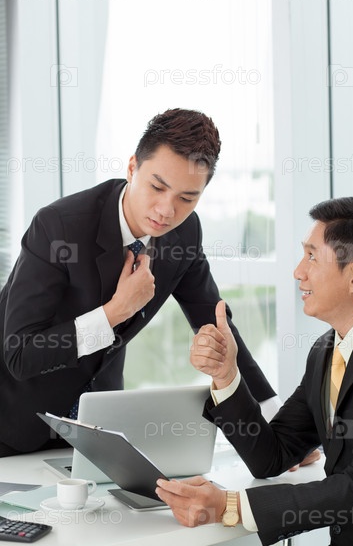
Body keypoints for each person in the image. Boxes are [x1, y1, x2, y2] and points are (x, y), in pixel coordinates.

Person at [0, 108, 283, 457]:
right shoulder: (58, 227)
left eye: (187, 198)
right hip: (12, 425)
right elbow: (20, 354)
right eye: (157, 187)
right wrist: (115, 312)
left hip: (94, 432)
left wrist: (271, 418)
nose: (166, 210)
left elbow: (216, 323)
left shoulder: (184, 234)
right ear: (132, 167)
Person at [156, 196, 353, 546]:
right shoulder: (326, 351)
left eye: (312, 256)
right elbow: (272, 455)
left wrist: (230, 506)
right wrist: (226, 376)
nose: (299, 271)